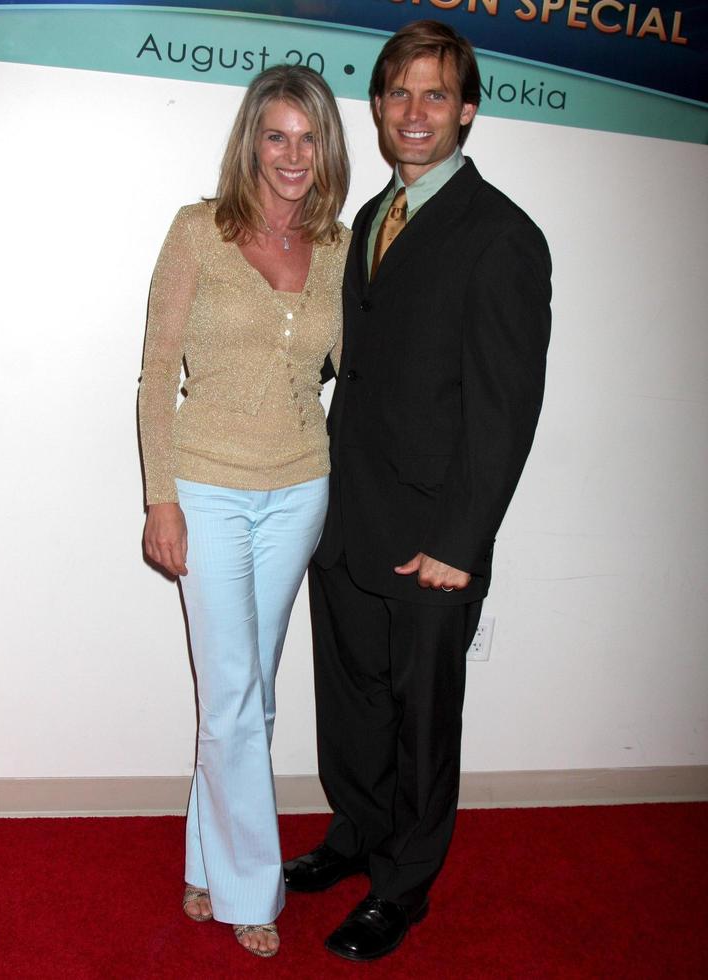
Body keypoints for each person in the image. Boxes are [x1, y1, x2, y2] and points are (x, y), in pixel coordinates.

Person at [283, 20, 552, 962]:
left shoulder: (504, 237)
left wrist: (463, 544)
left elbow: (505, 407)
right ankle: (356, 836)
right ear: (380, 105)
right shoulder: (368, 219)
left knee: (423, 722)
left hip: (433, 540)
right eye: (399, 92)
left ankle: (404, 886)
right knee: (351, 703)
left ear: (467, 111)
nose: (414, 111)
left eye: (435, 94)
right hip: (348, 520)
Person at [138, 64, 350, 958]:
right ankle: (251, 891)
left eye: (308, 137)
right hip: (210, 487)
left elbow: (343, 364)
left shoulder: (342, 244)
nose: (292, 154)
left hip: (301, 485)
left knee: (247, 698)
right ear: (250, 141)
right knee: (231, 695)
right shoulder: (199, 231)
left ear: (326, 146)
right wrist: (161, 498)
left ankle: (204, 861)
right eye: (276, 135)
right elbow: (155, 373)